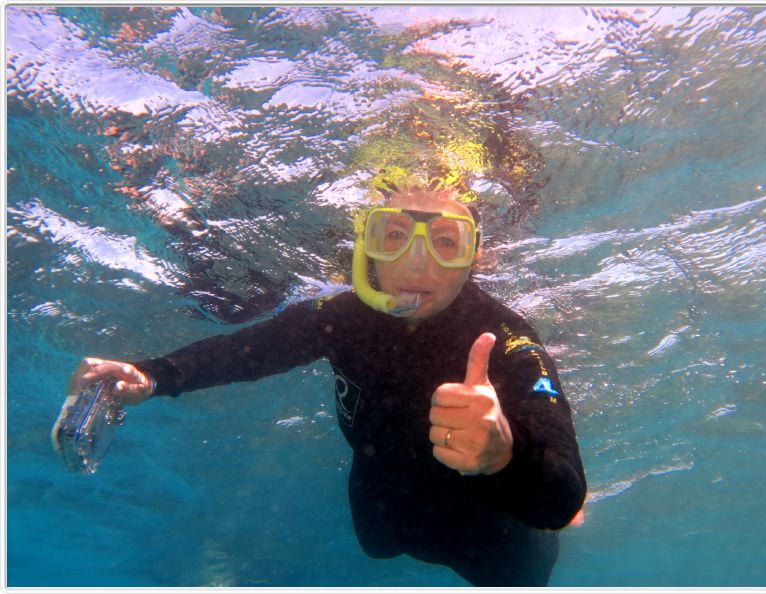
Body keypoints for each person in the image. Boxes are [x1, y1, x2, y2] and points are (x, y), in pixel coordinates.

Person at [70, 182, 586, 586]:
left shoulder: (507, 337)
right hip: (384, 504)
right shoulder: (340, 317)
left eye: (447, 242)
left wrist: (506, 459)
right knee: (377, 544)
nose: (417, 258)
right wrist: (152, 375)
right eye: (394, 234)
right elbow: (248, 352)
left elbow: (559, 493)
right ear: (369, 249)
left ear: (472, 258)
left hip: (492, 526)